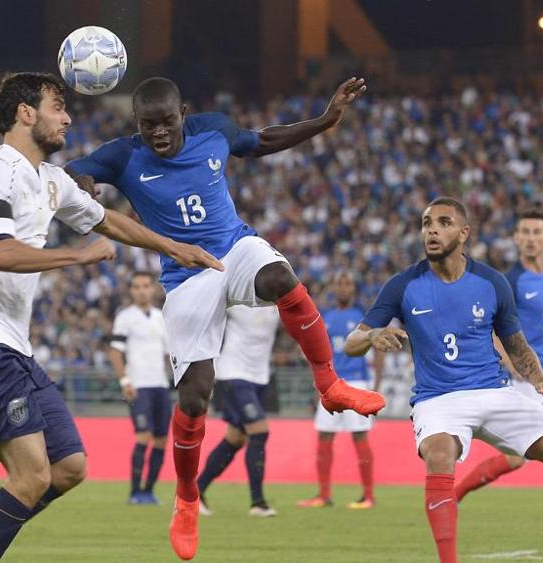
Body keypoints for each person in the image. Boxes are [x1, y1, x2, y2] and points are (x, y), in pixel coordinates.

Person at [66, 76, 385, 560]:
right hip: (186, 276)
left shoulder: (214, 130)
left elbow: (262, 140)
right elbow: (74, 170)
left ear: (184, 113)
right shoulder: (123, 155)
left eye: (167, 123)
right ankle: (188, 497)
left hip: (233, 249)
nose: (158, 133)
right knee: (195, 398)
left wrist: (324, 121)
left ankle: (330, 384)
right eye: (148, 125)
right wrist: (84, 182)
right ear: (137, 124)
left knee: (280, 276)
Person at [0, 72, 220, 563]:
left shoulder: (48, 179)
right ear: (26, 113)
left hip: (12, 347)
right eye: (57, 106)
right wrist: (78, 257)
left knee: (68, 467)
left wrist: (175, 246)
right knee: (31, 478)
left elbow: (107, 220)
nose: (67, 117)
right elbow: (0, 252)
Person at [343, 198, 543, 563]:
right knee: (439, 457)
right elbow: (352, 342)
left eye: (443, 222)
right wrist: (372, 337)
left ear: (464, 233)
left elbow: (517, 346)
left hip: (495, 391)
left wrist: (541, 382)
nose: (432, 230)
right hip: (439, 399)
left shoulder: (492, 283)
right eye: (426, 223)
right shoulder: (402, 285)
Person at [454, 209, 543, 540]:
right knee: (515, 459)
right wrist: (509, 364)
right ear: (517, 238)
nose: (532, 238)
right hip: (528, 378)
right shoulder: (510, 281)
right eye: (526, 232)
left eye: (538, 232)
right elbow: (492, 327)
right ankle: (456, 494)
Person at [298, 271, 383, 509]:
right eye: (339, 283)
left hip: (357, 382)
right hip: (332, 383)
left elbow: (377, 350)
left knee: (359, 436)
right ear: (334, 288)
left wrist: (375, 385)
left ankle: (368, 495)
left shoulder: (362, 317)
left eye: (347, 284)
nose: (343, 288)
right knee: (324, 434)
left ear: (353, 289)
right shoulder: (324, 316)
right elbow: (312, 349)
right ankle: (324, 495)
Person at [196, 305, 280, 517]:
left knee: (235, 439)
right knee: (259, 432)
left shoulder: (278, 300)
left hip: (260, 378)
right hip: (233, 374)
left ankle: (194, 492)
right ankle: (258, 503)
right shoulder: (237, 299)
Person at [108, 271, 170, 506]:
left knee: (162, 440)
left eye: (146, 285)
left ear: (153, 289)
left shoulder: (160, 317)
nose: (142, 290)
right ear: (132, 291)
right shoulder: (125, 317)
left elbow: (168, 353)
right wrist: (125, 380)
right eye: (137, 286)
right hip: (139, 385)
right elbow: (115, 351)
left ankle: (149, 490)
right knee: (143, 436)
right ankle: (135, 492)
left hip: (160, 385)